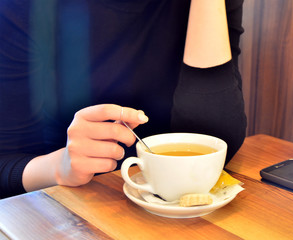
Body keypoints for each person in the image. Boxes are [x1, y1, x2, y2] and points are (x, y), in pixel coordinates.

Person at [0, 0, 247, 199]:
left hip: (184, 218)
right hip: (75, 209)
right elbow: (6, 164)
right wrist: (60, 166)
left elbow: (216, 141)